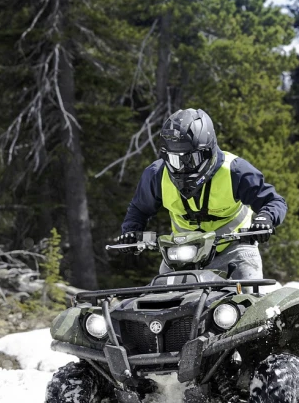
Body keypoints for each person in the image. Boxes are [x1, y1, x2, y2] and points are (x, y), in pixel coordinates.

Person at [112, 107, 287, 280]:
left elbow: (274, 201)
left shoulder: (235, 171)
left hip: (234, 249)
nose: (182, 168)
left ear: (208, 152)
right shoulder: (156, 174)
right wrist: (131, 232)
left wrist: (266, 219)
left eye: (190, 159)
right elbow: (139, 209)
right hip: (181, 253)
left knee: (250, 295)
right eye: (174, 159)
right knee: (161, 299)